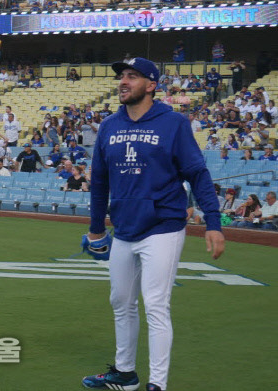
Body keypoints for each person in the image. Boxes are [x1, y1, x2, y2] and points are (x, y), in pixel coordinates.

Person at [82, 58, 225, 391]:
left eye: (132, 76)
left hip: (163, 225)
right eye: (121, 76)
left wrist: (213, 222)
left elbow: (197, 173)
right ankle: (125, 373)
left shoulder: (173, 122)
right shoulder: (108, 126)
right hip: (124, 229)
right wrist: (96, 229)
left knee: (156, 303)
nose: (123, 81)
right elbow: (100, 180)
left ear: (151, 85)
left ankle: (157, 384)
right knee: (121, 301)